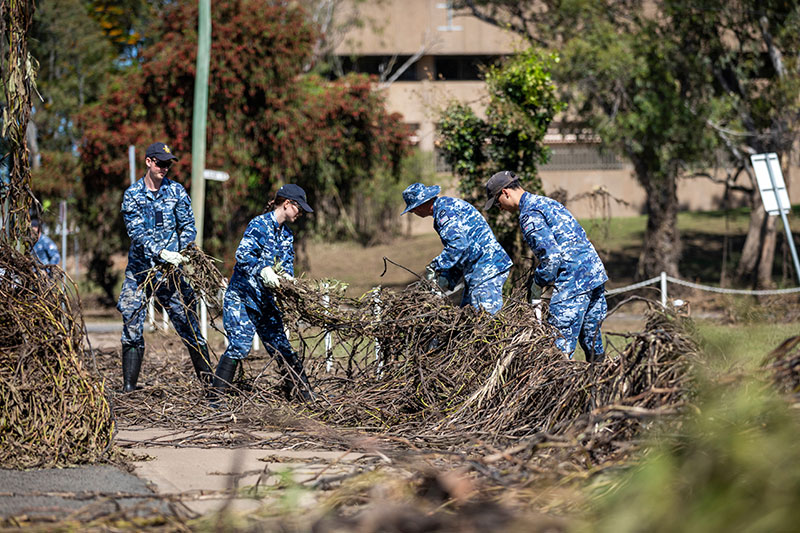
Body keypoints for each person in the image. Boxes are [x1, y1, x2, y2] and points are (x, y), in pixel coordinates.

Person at [117, 142, 212, 392]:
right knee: (131, 321)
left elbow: (189, 226)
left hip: (171, 273)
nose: (164, 168)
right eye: (160, 163)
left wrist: (180, 251)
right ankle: (129, 387)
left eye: (168, 164)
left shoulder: (177, 192)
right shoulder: (133, 195)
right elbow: (135, 232)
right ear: (148, 162)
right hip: (140, 272)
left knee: (188, 325)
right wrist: (159, 252)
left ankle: (211, 386)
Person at [484, 170, 608, 361]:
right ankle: (603, 386)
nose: (500, 208)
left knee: (558, 349)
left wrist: (538, 282)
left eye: (497, 202)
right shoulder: (546, 202)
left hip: (573, 282)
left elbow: (552, 257)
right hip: (595, 275)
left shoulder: (529, 215)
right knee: (593, 342)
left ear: (506, 193)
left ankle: (563, 390)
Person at [211, 184, 315, 402]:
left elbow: (286, 268)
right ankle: (215, 398)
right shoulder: (259, 224)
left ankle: (305, 396)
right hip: (241, 296)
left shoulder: (286, 235)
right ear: (287, 204)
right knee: (240, 345)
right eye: (299, 208)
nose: (301, 213)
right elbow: (243, 254)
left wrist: (289, 282)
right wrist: (263, 269)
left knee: (282, 347)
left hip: (265, 301)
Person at [401, 182, 512, 315]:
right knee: (466, 316)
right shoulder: (445, 208)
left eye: (413, 208)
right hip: (478, 268)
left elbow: (458, 245)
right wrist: (448, 278)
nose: (414, 212)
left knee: (484, 319)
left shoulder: (444, 212)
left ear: (420, 205)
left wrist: (436, 266)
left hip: (487, 267)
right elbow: (462, 252)